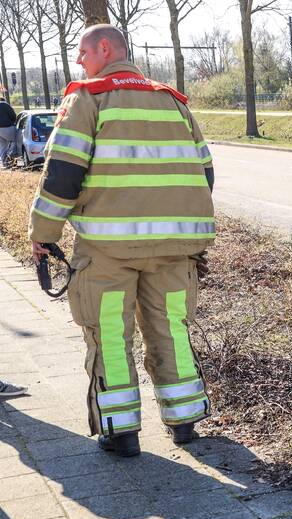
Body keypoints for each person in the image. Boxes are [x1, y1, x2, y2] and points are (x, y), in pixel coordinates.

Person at [28, 24, 215, 458]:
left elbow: (62, 178)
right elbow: (204, 174)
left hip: (107, 249)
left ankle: (122, 431)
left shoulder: (87, 99)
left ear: (106, 49)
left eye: (83, 52)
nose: (79, 61)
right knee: (171, 329)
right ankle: (185, 420)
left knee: (111, 334)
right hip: (173, 248)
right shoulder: (173, 101)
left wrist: (43, 235)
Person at [0, 92, 17, 168]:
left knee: (3, 146)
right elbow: (13, 116)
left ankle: (4, 163)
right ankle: (10, 157)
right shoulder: (5, 105)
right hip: (7, 127)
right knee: (14, 141)